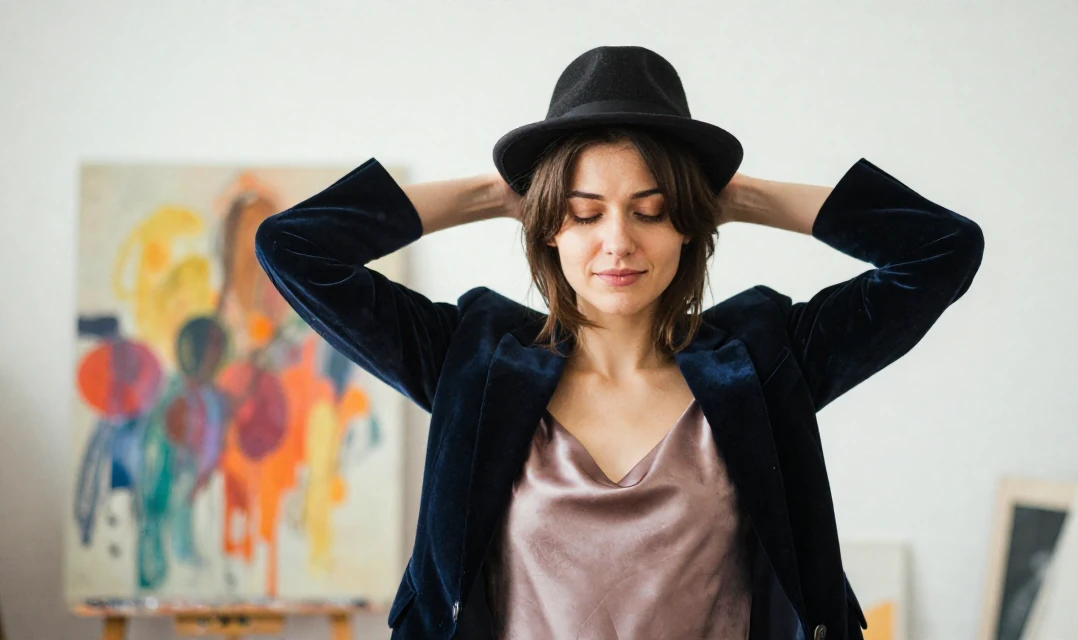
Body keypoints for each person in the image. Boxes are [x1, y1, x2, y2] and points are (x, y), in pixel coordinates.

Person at [255, 45, 984, 640]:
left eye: (653, 211)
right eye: (583, 212)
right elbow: (293, 248)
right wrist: (498, 191)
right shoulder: (473, 364)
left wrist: (741, 195)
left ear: (691, 224)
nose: (618, 243)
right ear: (548, 227)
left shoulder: (764, 364)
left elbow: (941, 251)